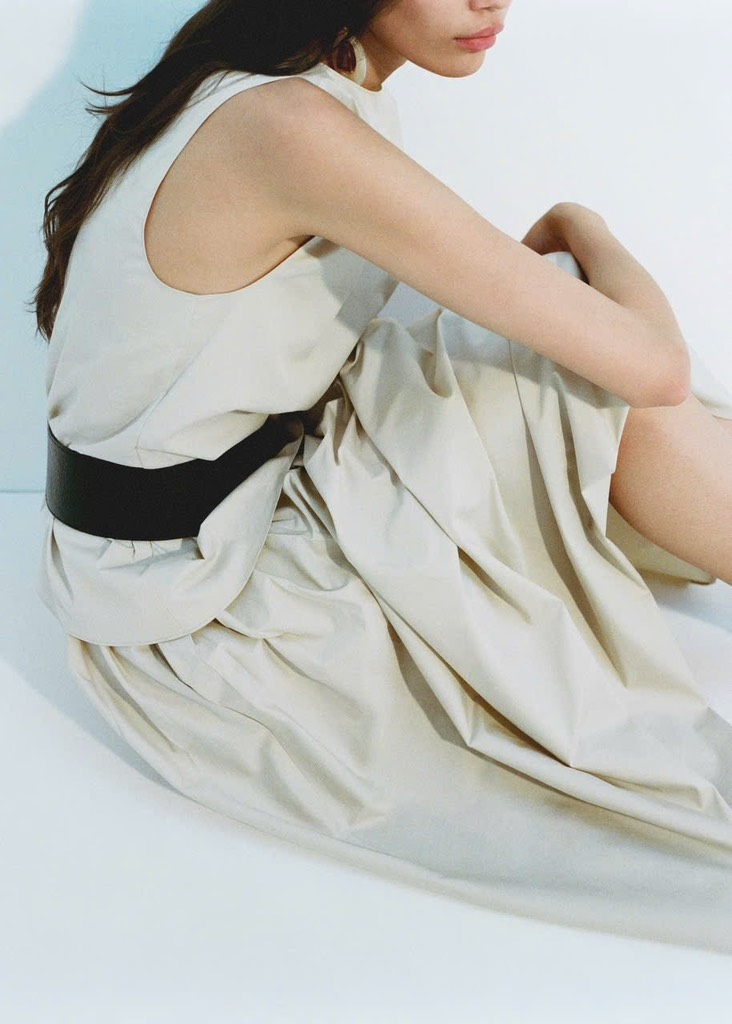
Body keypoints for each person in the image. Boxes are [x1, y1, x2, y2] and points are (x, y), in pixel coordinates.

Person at [35, 0, 732, 952]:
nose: (493, 2)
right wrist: (585, 221)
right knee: (592, 353)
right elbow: (654, 366)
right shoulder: (289, 126)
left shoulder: (276, 88)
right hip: (202, 610)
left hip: (235, 505)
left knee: (553, 357)